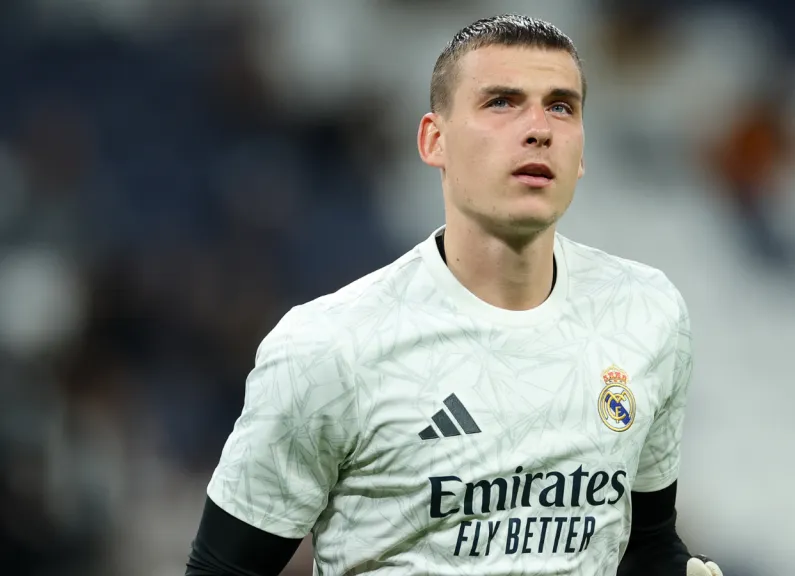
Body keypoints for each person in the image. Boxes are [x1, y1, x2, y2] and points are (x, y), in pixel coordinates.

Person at [184, 13, 723, 576]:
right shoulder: (328, 346)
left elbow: (648, 543)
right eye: (502, 102)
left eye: (562, 106)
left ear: (581, 153)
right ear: (434, 140)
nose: (539, 127)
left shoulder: (646, 311)